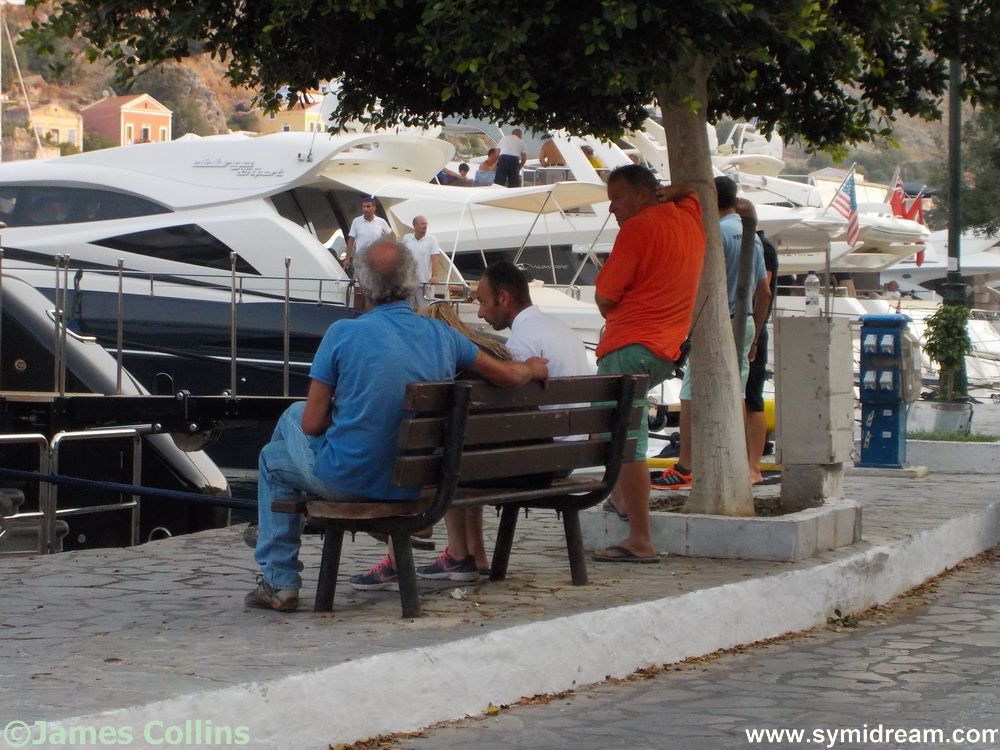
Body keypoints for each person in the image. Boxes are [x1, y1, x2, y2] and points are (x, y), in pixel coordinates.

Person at [246, 240, 549, 611]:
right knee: (285, 437)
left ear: (362, 285)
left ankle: (278, 576)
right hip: (415, 483)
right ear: (411, 283)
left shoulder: (343, 334)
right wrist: (532, 367)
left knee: (276, 449)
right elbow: (507, 376)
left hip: (351, 481)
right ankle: (271, 537)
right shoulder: (443, 336)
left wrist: (347, 414)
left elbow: (311, 424)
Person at [590, 165, 705, 563]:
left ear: (642, 195)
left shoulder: (637, 229)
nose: (612, 209)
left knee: (627, 438)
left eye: (617, 199)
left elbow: (605, 296)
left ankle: (640, 537)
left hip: (629, 345)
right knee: (623, 431)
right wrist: (669, 191)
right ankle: (621, 500)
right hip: (666, 348)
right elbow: (694, 190)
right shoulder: (689, 217)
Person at [653, 177, 769, 491]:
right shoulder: (751, 235)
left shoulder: (715, 234)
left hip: (715, 321)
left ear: (709, 200)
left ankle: (686, 466)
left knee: (690, 393)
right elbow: (764, 292)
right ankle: (736, 462)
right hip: (745, 322)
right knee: (736, 393)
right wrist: (755, 336)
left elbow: (696, 283)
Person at [745, 229, 778, 484]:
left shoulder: (760, 246)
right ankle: (748, 464)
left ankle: (753, 467)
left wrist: (754, 337)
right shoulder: (756, 244)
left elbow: (762, 292)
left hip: (753, 327)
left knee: (752, 399)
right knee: (747, 399)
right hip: (752, 327)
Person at [344, 196, 392, 273]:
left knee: (375, 279)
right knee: (361, 279)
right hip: (361, 259)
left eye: (368, 206)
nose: (365, 209)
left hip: (376, 259)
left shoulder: (381, 221)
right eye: (364, 207)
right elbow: (351, 240)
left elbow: (391, 236)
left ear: (374, 208)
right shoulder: (356, 221)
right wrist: (347, 258)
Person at [400, 215, 444, 286]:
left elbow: (435, 260)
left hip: (425, 283)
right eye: (422, 224)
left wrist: (434, 276)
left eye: (426, 224)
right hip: (408, 283)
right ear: (415, 225)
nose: (425, 226)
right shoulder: (406, 238)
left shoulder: (432, 239)